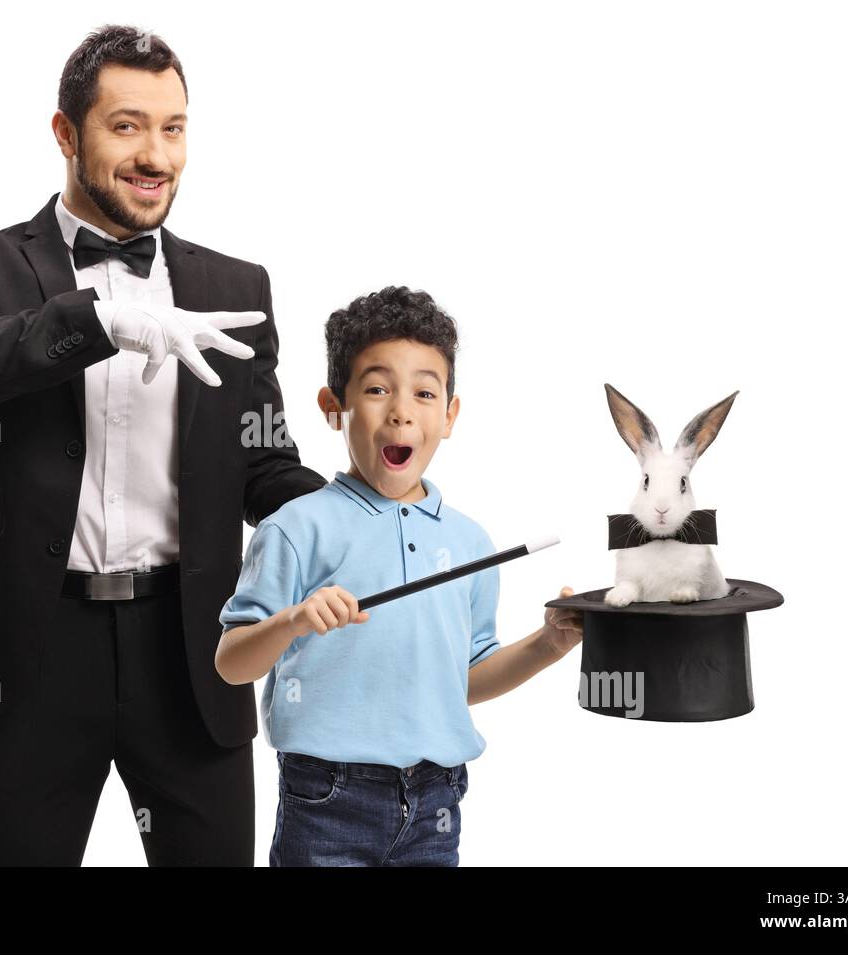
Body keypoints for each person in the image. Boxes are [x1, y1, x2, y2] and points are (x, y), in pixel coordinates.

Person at [0, 24, 325, 865]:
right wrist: (89, 322)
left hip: (197, 651)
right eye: (126, 126)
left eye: (173, 127)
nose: (155, 154)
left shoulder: (237, 287)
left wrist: (357, 513)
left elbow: (260, 460)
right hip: (40, 652)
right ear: (66, 135)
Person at [215, 286, 585, 866]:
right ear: (333, 406)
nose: (401, 411)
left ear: (449, 415)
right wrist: (290, 621)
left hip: (438, 796)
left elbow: (466, 678)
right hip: (326, 796)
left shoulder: (470, 544)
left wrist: (548, 643)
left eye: (424, 393)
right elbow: (233, 661)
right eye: (377, 388)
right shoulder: (296, 527)